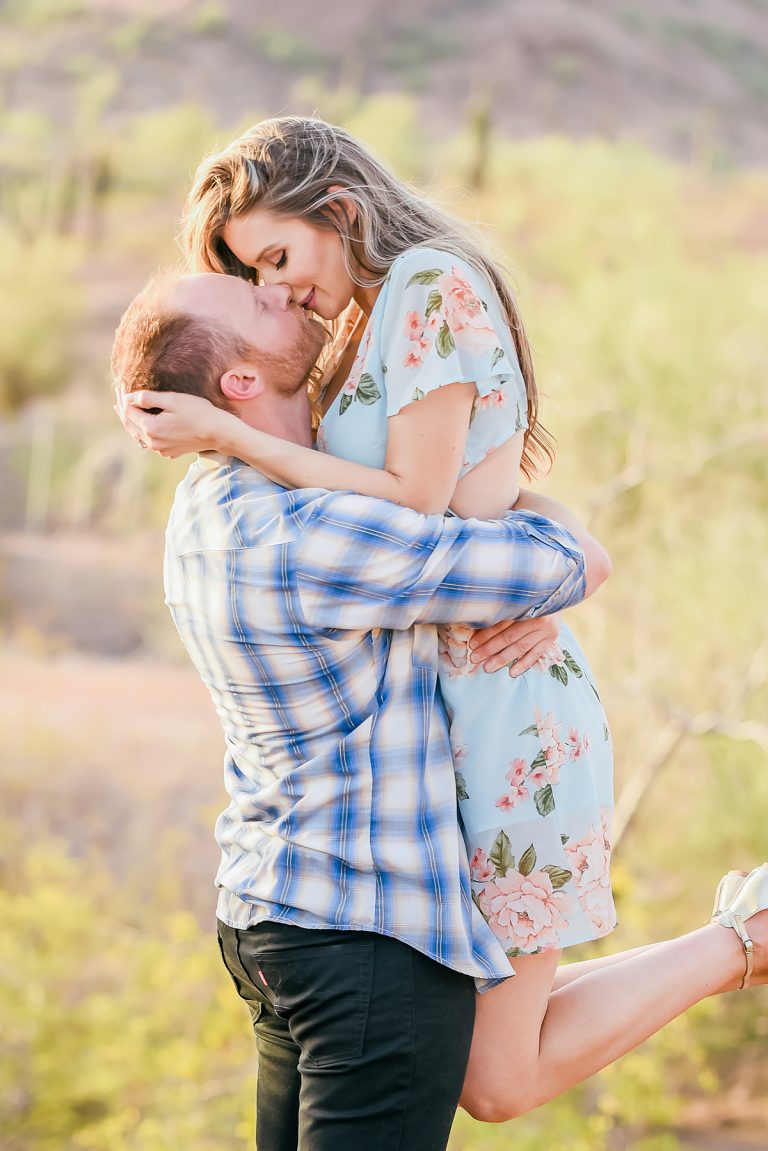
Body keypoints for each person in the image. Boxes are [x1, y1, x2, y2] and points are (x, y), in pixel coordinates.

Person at [115, 265, 768, 1147]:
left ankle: (745, 936)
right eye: (258, 301)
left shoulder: (209, 504)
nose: (285, 294)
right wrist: (505, 517)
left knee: (496, 1071)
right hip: (369, 937)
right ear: (238, 382)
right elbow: (564, 563)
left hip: (268, 920)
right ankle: (747, 937)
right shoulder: (319, 537)